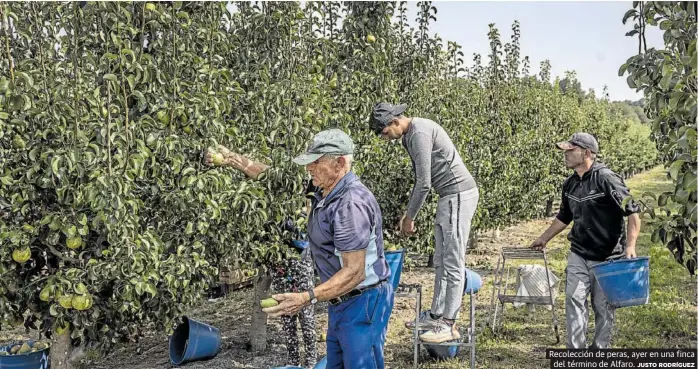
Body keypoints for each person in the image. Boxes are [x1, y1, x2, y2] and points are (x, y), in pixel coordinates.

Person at [262, 128, 394, 369]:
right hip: (340, 301)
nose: (309, 168)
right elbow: (273, 178)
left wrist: (307, 297)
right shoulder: (323, 191)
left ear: (340, 163)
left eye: (316, 162)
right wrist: (232, 160)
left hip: (362, 302)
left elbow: (355, 272)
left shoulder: (350, 204)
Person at [368, 102, 479, 343]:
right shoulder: (409, 136)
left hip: (458, 194)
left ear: (394, 122)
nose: (383, 138)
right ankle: (436, 314)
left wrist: (410, 217)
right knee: (440, 259)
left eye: (384, 132)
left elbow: (424, 182)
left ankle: (449, 323)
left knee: (453, 261)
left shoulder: (419, 132)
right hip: (448, 196)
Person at [204, 146, 318, 368]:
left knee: (306, 312)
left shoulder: (308, 196)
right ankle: (293, 361)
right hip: (279, 264)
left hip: (301, 260)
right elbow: (259, 171)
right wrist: (231, 159)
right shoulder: (276, 197)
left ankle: (312, 361)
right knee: (286, 313)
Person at [530, 132, 642, 349]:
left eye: (571, 150)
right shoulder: (570, 184)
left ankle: (599, 350)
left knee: (603, 306)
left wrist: (630, 246)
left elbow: (633, 213)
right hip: (579, 252)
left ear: (587, 153)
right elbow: (564, 217)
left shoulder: (607, 179)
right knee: (573, 298)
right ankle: (576, 352)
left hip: (607, 256)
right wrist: (543, 238)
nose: (566, 154)